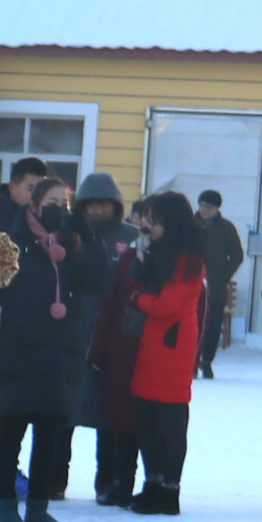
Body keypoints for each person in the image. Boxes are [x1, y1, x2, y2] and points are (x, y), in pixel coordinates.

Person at [0, 168, 79, 522]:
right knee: (11, 429)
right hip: (17, 346)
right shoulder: (9, 242)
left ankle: (38, 506)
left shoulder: (69, 246)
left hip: (56, 349)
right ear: (34, 206)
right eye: (51, 202)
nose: (58, 209)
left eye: (64, 203)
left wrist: (83, 234)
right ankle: (6, 504)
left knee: (49, 430)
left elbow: (96, 281)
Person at [122, 188, 206, 513]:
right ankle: (153, 483)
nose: (149, 227)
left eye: (155, 221)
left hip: (171, 346)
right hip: (154, 344)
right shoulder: (159, 251)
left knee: (169, 423)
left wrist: (139, 299)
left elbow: (167, 306)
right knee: (146, 420)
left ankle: (169, 491)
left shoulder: (187, 258)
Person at [71, 172, 147, 505]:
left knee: (108, 415)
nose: (99, 211)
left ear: (116, 205)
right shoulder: (71, 235)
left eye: (105, 204)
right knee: (63, 415)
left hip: (114, 341)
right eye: (92, 205)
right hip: (74, 335)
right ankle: (53, 479)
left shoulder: (131, 238)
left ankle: (107, 481)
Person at [195, 188, 246, 378]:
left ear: (217, 208)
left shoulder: (226, 228)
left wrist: (222, 275)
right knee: (193, 325)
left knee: (214, 326)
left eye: (209, 207)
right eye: (202, 206)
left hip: (215, 287)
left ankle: (207, 360)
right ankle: (192, 361)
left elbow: (237, 255)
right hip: (192, 284)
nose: (205, 210)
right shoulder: (190, 225)